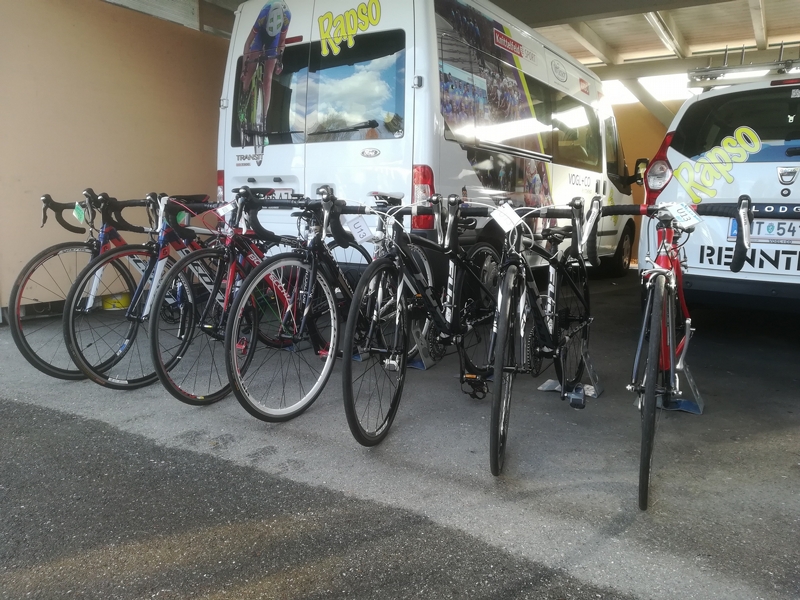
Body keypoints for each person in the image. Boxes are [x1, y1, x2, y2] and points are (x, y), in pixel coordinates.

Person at [240, 1, 292, 134]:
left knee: (268, 78)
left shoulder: (286, 16)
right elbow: (247, 43)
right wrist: (244, 69)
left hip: (274, 39)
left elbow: (281, 42)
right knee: (250, 69)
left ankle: (263, 119)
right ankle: (243, 98)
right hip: (261, 34)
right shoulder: (263, 15)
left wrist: (279, 61)